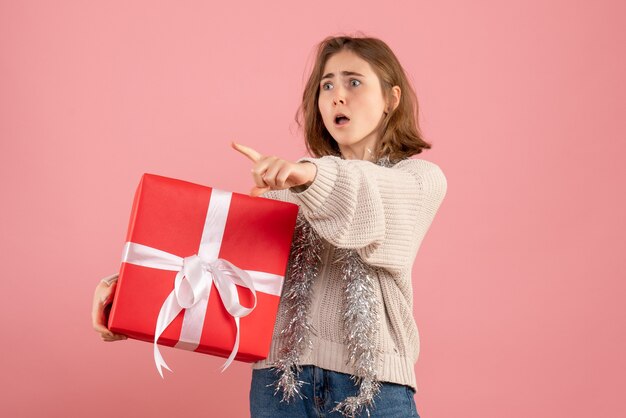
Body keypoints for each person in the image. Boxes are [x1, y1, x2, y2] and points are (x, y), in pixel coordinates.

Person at [93, 35, 447, 417]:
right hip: (280, 386)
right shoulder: (289, 187)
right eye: (326, 85)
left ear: (391, 100)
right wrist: (128, 295)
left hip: (373, 388)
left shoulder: (419, 179)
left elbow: (368, 198)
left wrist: (307, 175)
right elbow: (218, 269)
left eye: (354, 82)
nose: (336, 96)